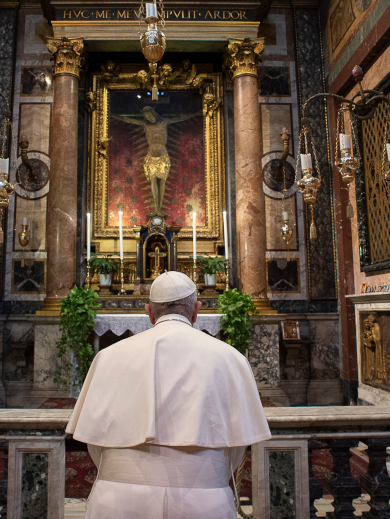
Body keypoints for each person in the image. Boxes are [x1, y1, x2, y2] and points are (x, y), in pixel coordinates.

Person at [66, 271, 271, 519]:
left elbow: (95, 445)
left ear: (149, 313)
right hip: (203, 501)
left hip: (117, 501)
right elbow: (238, 448)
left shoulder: (107, 357)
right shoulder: (230, 358)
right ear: (196, 310)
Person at [114, 107, 200, 215]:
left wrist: (196, 113)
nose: (149, 118)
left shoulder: (164, 122)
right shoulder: (146, 125)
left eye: (150, 116)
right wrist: (112, 115)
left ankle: (159, 208)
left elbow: (181, 117)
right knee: (153, 180)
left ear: (154, 114)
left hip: (163, 154)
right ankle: (156, 209)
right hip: (151, 154)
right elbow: (129, 120)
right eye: (146, 117)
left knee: (162, 181)